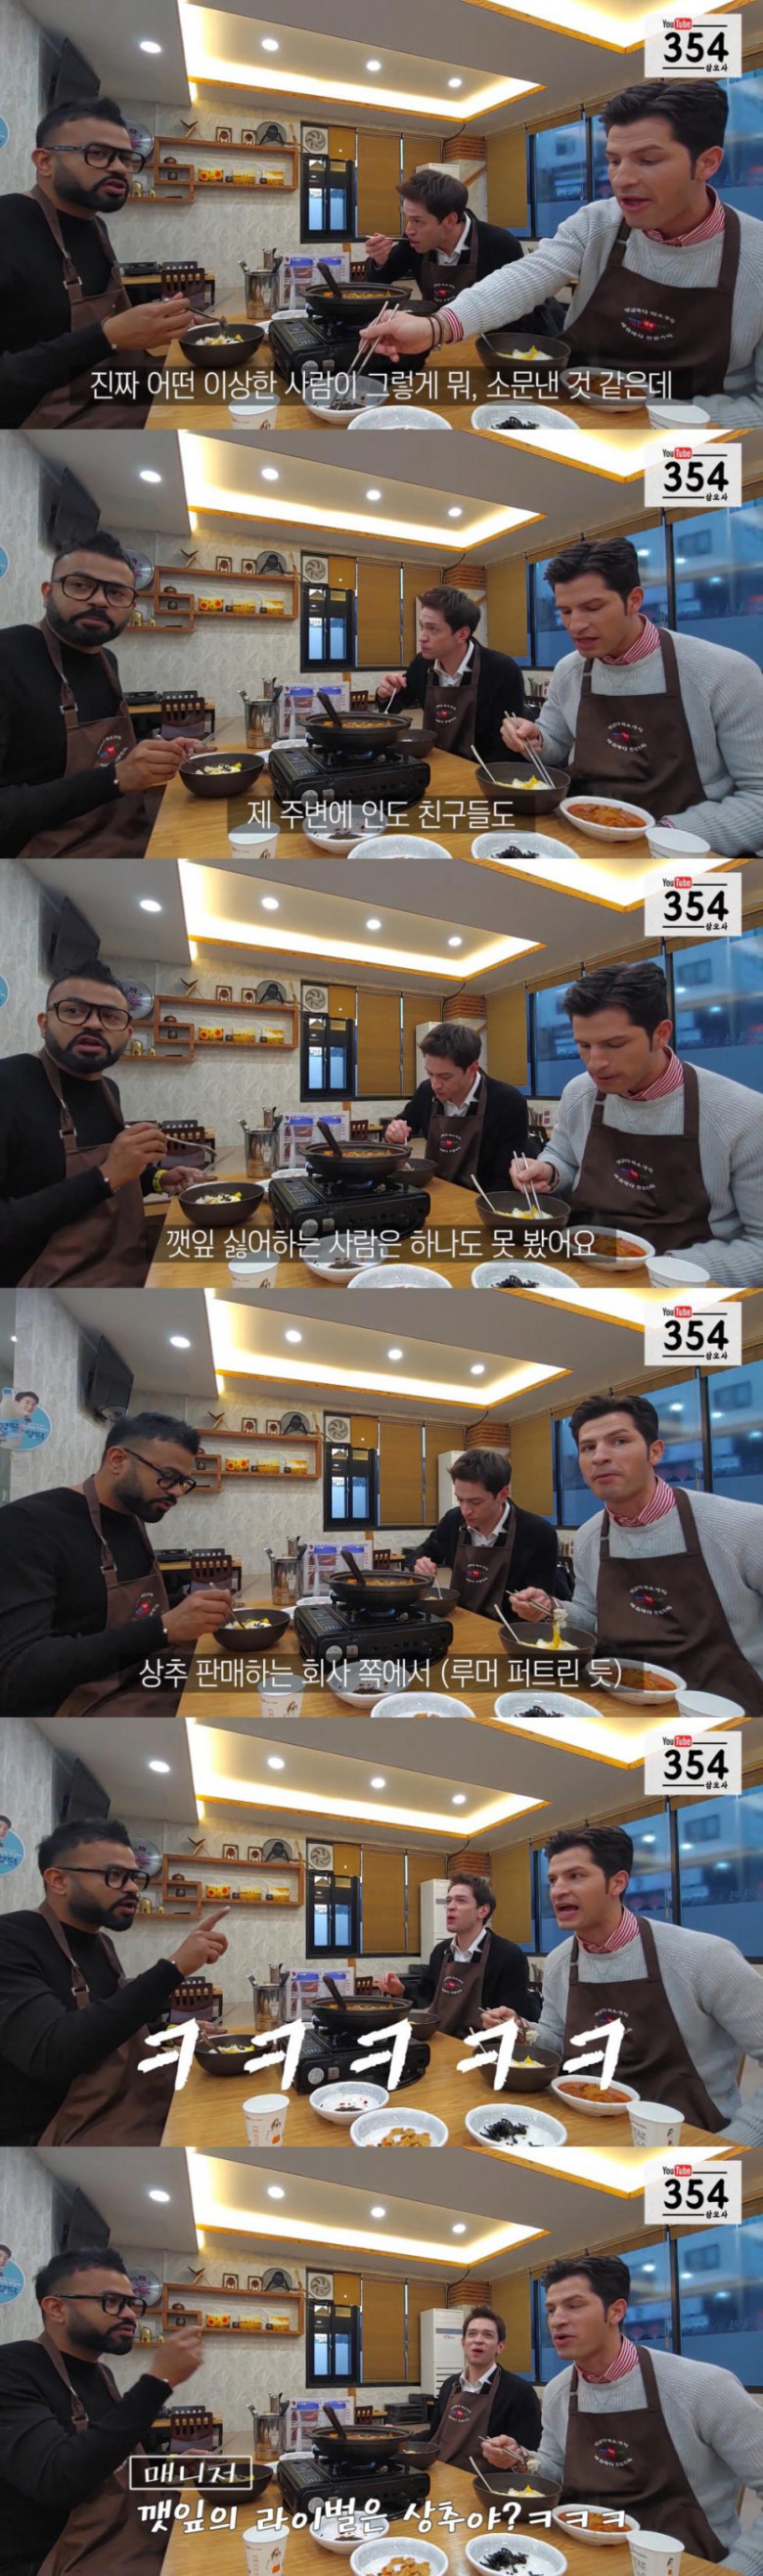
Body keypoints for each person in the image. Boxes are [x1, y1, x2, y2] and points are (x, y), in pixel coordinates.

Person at [356, 80, 763, 424]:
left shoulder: (755, 254)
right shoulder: (599, 222)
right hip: (571, 409)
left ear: (707, 163)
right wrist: (435, 328)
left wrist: (657, 414)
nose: (622, 179)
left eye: (648, 160)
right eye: (614, 160)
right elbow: (528, 276)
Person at [482, 1822, 763, 2142]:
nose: (558, 1890)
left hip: (688, 2139)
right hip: (581, 2128)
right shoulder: (560, 1961)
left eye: (575, 1876)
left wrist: (736, 2145)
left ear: (617, 1883)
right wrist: (521, 2029)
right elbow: (556, 2038)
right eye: (553, 1879)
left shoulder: (703, 1956)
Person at [480, 2253, 763, 2567]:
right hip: (578, 2554)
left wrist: (738, 2569)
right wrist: (520, 2458)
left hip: (683, 2562)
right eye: (551, 2310)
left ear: (616, 2311)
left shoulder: (702, 2386)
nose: (556, 2320)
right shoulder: (560, 2390)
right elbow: (555, 2470)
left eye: (574, 2305)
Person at [499, 537, 763, 855]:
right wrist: (535, 740)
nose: (575, 625)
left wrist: (662, 835)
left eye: (593, 608)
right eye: (565, 611)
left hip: (681, 851)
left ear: (634, 600)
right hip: (580, 834)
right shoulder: (570, 670)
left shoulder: (725, 671)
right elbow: (555, 745)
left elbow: (758, 798)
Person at [511, 959, 763, 1284]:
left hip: (678, 1284)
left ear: (661, 1034)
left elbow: (759, 1246)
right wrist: (548, 1171)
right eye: (584, 1046)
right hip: (579, 1264)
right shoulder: (580, 1093)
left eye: (614, 1045)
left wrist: (661, 1269)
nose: (595, 1063)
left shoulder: (741, 1113)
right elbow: (563, 1155)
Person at [0, 1816, 229, 2145]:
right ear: (58, 1880)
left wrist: (170, 2032)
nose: (133, 1887)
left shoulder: (102, 1944)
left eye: (134, 1876)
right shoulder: (11, 1939)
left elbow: (107, 2029)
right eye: (115, 1875)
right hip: (55, 2138)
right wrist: (172, 1968)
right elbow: (53, 2052)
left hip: (123, 2113)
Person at [528, 1394, 763, 1710]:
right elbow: (590, 1616)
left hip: (722, 1713)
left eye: (619, 1441)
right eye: (588, 1447)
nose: (600, 1456)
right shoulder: (589, 1537)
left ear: (655, 1451)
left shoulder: (741, 1526)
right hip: (616, 1703)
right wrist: (551, 1607)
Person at [0, 1409, 234, 1719]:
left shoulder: (132, 1519)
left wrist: (193, 1605)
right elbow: (18, 1671)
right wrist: (164, 1628)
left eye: (183, 1482)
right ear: (117, 1460)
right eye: (168, 1476)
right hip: (82, 1707)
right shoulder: (27, 1525)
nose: (177, 1492)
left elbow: (121, 1609)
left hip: (144, 1676)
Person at [0, 957, 205, 1287]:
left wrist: (158, 1179)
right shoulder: (8, 1085)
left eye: (110, 1016)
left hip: (129, 1276)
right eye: (74, 1011)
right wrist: (106, 1176)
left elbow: (114, 1177)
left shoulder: (108, 1090)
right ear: (44, 1023)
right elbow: (105, 1177)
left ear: (127, 1034)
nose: (94, 1024)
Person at [0, 2244, 203, 2575]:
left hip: (122, 2544)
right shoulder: (12, 2369)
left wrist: (168, 2465)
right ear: (56, 2308)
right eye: (111, 2301)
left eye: (131, 2303)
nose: (129, 2314)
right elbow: (57, 2479)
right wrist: (158, 2381)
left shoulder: (101, 2374)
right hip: (51, 2562)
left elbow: (105, 2458)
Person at [0, 92, 198, 429]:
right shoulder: (7, 224)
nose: (120, 168)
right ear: (45, 161)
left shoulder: (95, 227)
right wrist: (106, 337)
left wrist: (159, 324)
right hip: (44, 422)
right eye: (98, 154)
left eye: (126, 158)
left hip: (111, 392)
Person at [0, 535, 202, 857]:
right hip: (56, 854)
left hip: (127, 827)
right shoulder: (8, 657)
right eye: (80, 585)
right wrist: (116, 778)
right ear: (47, 592)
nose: (99, 601)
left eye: (116, 592)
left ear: (130, 607)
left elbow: (105, 754)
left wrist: (157, 752)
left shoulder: (107, 661)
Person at [365, 166, 561, 330]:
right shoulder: (413, 242)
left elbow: (521, 310)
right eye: (408, 219)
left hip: (488, 341)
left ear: (450, 220)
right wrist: (379, 260)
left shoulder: (500, 244)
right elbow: (379, 281)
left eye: (418, 221)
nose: (409, 230)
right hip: (436, 334)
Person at [409, 1447, 561, 1626]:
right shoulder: (453, 1520)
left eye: (475, 1502)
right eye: (460, 1499)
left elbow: (542, 1599)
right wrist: (420, 1563)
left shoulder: (538, 1534)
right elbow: (421, 1553)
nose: (465, 1510)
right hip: (459, 1622)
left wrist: (534, 1606)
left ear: (502, 1494)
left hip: (509, 1632)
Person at [374, 586, 524, 763]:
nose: (422, 637)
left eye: (432, 629)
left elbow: (508, 747)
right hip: (435, 761)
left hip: (483, 770)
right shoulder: (422, 664)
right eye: (422, 627)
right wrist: (385, 693)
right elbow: (392, 708)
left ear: (462, 634)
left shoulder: (502, 670)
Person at [380, 1871, 532, 2033]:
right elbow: (426, 1994)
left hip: (483, 2045)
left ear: (483, 1911)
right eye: (448, 1900)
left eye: (461, 1900)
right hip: (441, 2040)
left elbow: (515, 2016)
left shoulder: (509, 1956)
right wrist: (401, 1990)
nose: (451, 1907)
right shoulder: (441, 1951)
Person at [384, 1021, 528, 1189]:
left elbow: (506, 1178)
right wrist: (393, 1133)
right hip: (435, 1190)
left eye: (445, 1077)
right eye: (430, 1074)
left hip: (483, 1198)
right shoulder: (426, 1092)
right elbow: (403, 1124)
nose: (435, 1085)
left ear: (472, 1069)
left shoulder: (508, 1102)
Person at [410, 2307, 542, 2469]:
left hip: (483, 2482)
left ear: (500, 2346)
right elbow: (435, 2434)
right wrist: (400, 2438)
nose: (478, 2340)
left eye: (488, 2335)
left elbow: (529, 2454)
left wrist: (514, 2456)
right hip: (441, 2474)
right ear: (463, 2343)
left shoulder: (519, 2392)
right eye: (472, 2334)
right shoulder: (449, 2385)